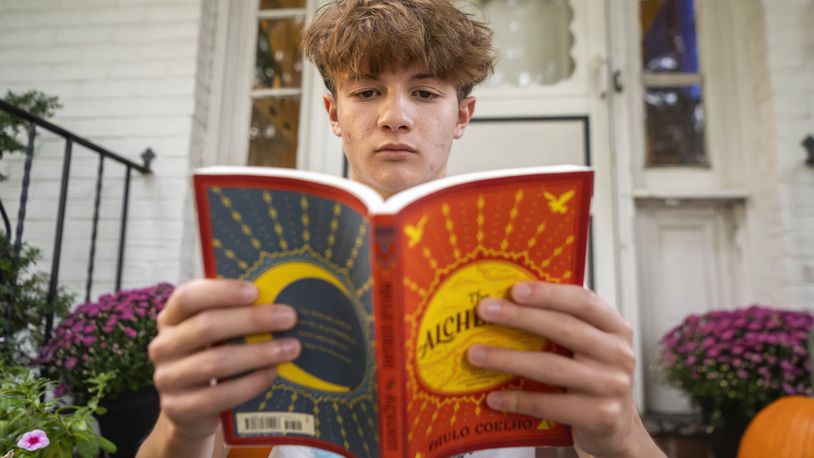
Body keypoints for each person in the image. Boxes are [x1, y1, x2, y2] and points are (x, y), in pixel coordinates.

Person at [138, 1, 665, 457]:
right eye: (366, 92)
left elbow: (611, 437)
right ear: (333, 112)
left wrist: (621, 437)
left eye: (426, 93)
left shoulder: (539, 278)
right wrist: (181, 428)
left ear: (462, 115)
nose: (395, 116)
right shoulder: (260, 276)